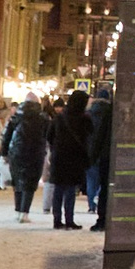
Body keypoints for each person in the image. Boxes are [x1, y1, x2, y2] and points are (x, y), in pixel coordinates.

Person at [46, 91, 94, 229]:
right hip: (76, 158)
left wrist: (56, 147)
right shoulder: (85, 119)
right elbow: (90, 137)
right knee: (70, 191)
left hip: (59, 158)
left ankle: (57, 220)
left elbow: (49, 135)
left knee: (58, 190)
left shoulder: (60, 118)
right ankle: (69, 220)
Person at [4, 98, 49, 219]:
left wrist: (4, 153)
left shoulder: (16, 118)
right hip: (36, 153)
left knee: (17, 181)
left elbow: (7, 136)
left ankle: (18, 210)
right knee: (30, 182)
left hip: (17, 153)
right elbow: (48, 136)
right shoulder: (43, 120)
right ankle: (25, 212)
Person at [85, 90, 113, 228]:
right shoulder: (111, 111)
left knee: (94, 181)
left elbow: (97, 136)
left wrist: (92, 154)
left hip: (98, 153)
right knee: (107, 187)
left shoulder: (89, 113)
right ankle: (105, 217)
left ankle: (93, 207)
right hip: (110, 154)